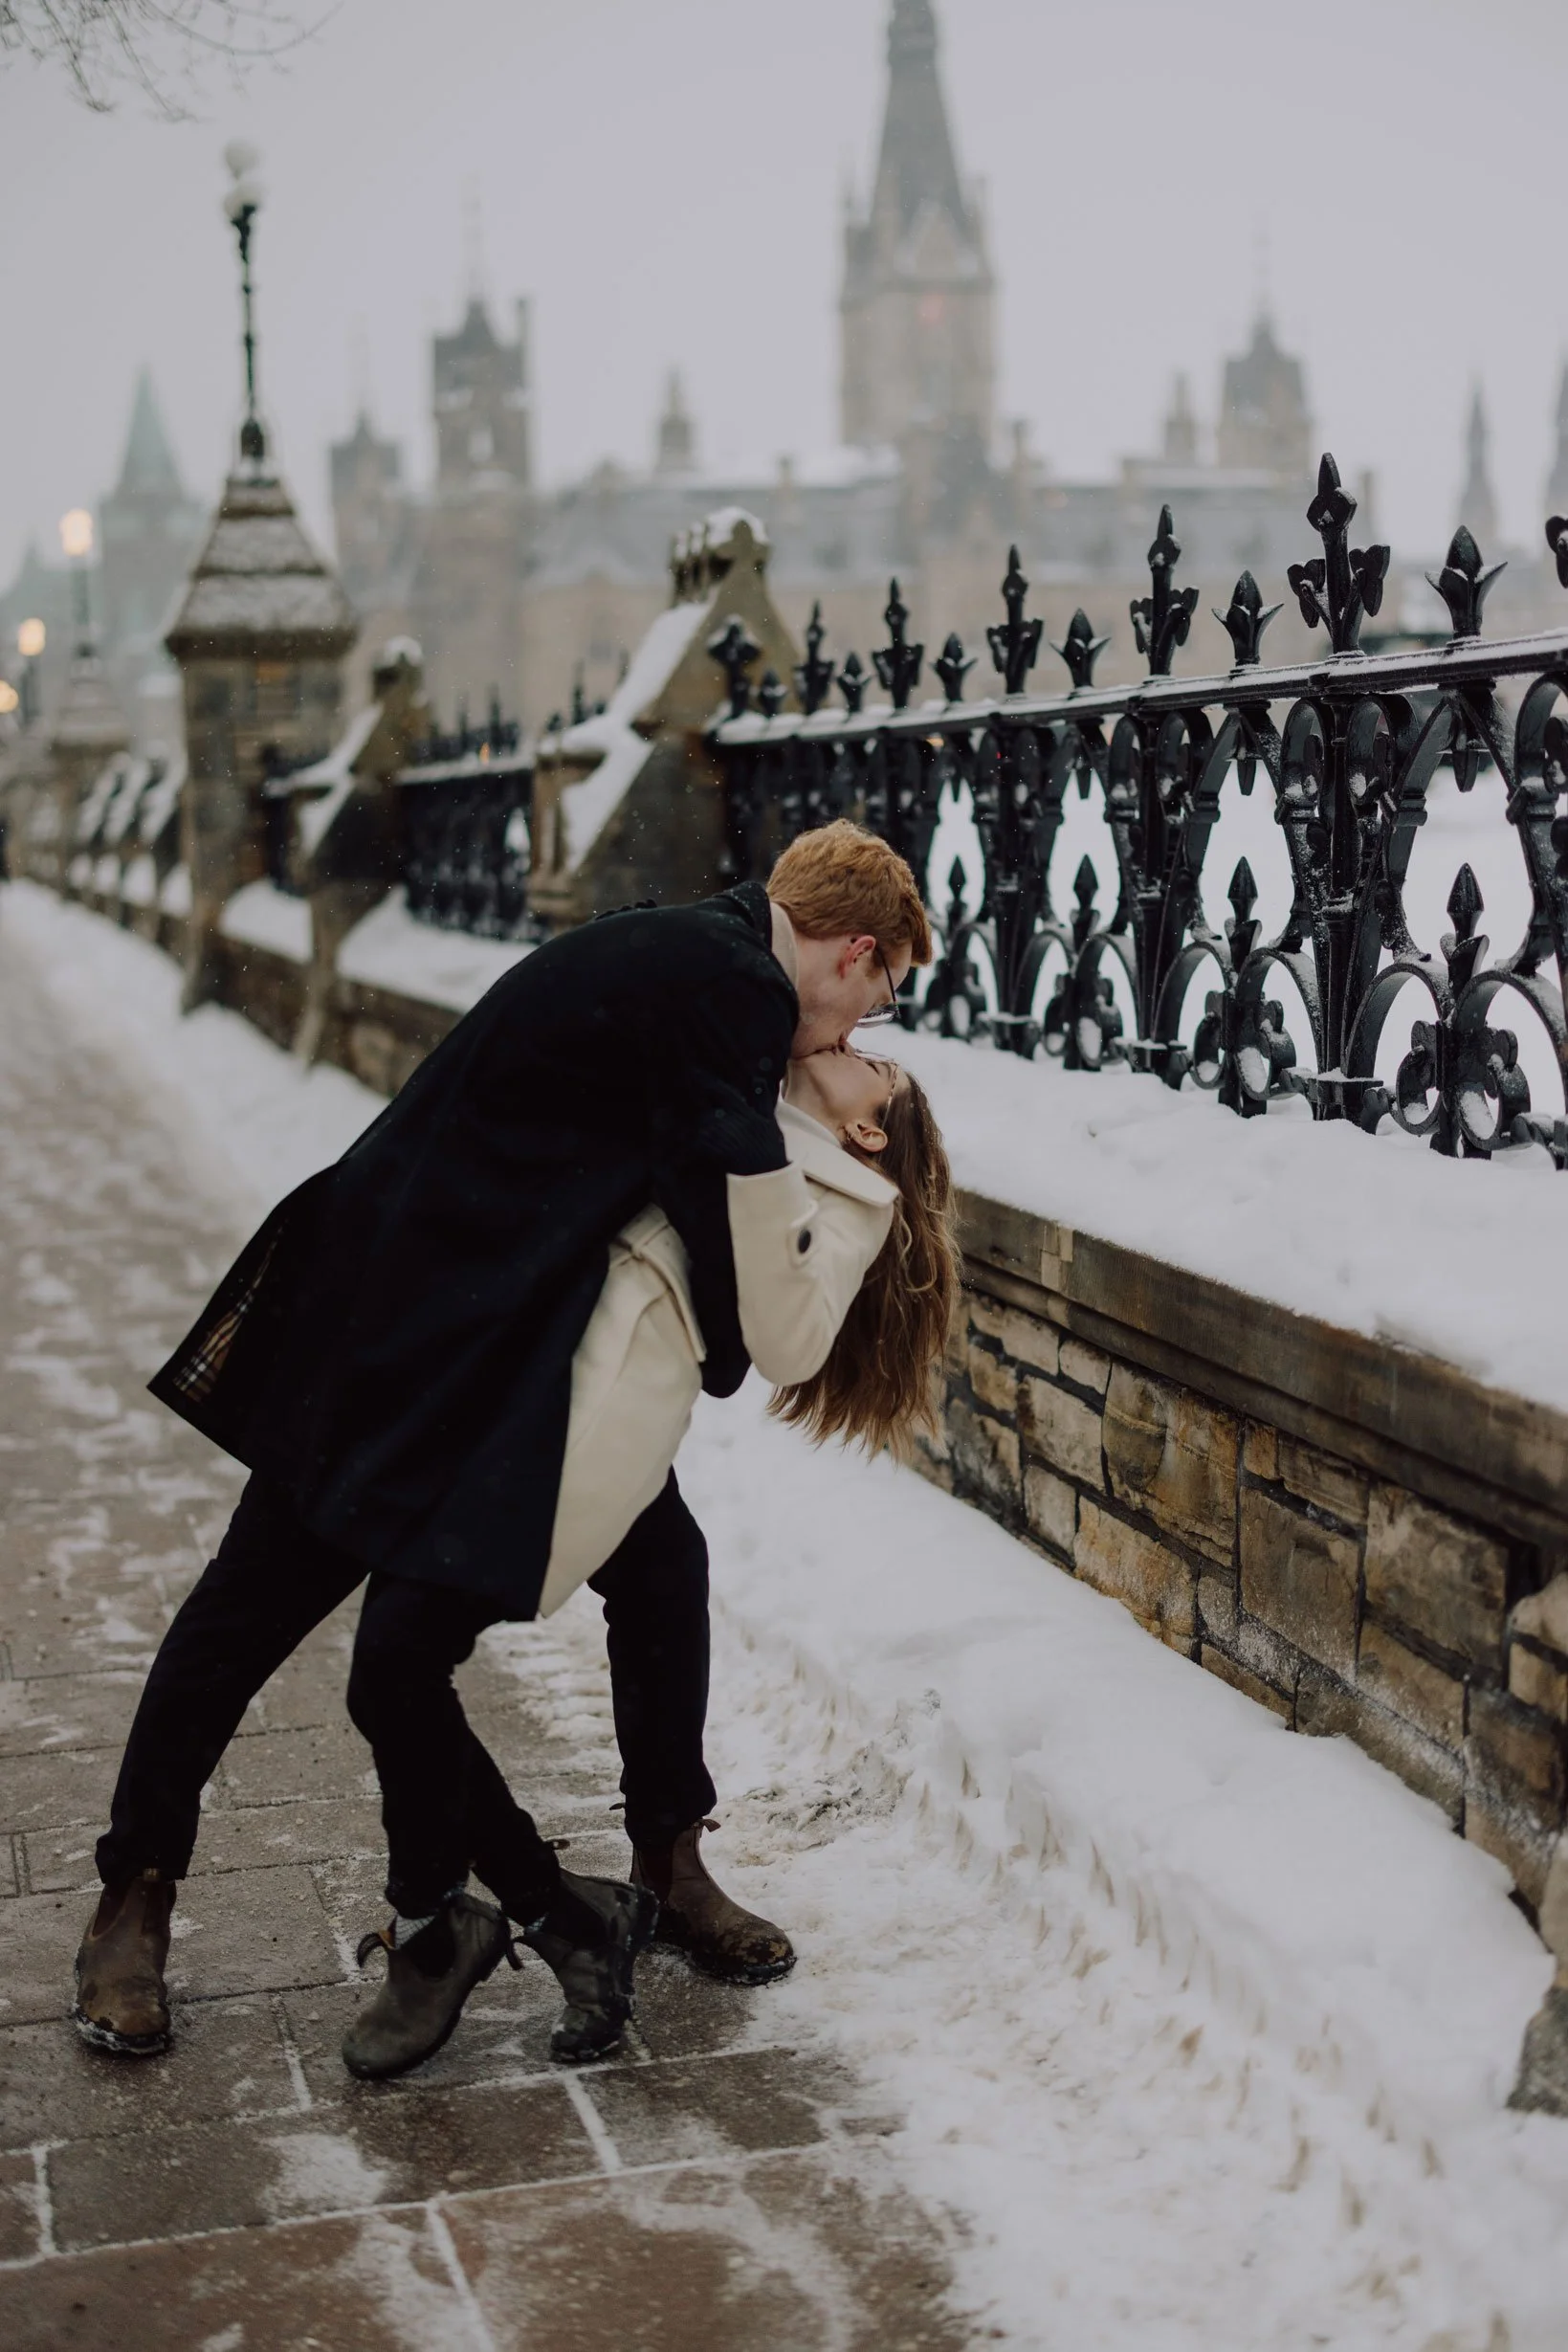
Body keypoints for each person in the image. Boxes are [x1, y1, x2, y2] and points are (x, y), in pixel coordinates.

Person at [71, 822, 933, 2062]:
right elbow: (724, 1195)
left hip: (494, 1336)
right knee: (244, 1617)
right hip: (395, 1333)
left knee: (658, 1564)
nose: (854, 1035)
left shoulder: (691, 954)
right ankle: (134, 1899)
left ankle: (660, 1864)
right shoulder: (736, 986)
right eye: (875, 1000)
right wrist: (750, 1335)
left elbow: (684, 1180)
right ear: (853, 952)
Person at [339, 1044, 958, 2077]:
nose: (846, 1045)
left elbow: (789, 1339)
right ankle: (619, 1882)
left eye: (868, 1064)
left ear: (865, 1132)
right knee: (668, 1572)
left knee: (395, 1667)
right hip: (544, 1383)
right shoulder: (746, 1090)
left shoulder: (832, 1186)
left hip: (567, 1431)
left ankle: (506, 1914)